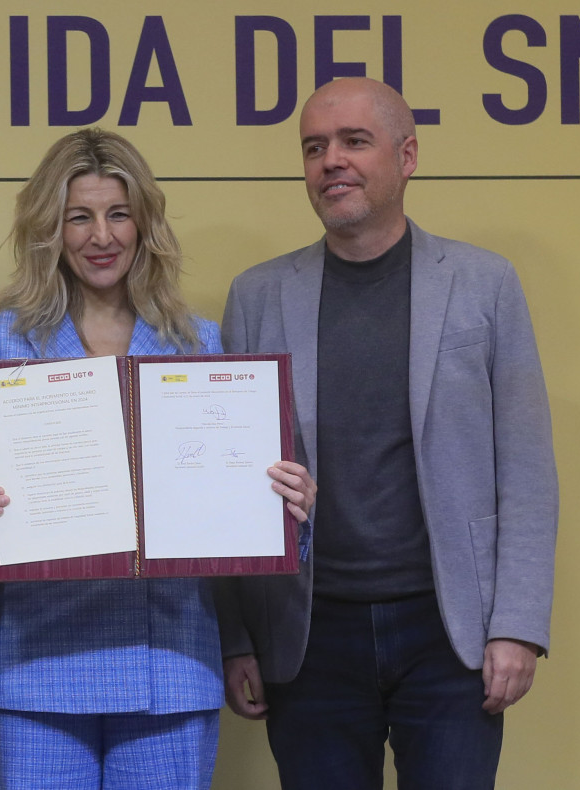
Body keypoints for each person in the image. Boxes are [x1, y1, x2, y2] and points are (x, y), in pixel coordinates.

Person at [0, 128, 315, 790]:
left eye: (117, 214)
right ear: (49, 228)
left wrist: (284, 511)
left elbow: (226, 519)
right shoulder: (0, 334)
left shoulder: (197, 341)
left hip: (169, 664)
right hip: (34, 664)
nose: (100, 236)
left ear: (144, 223)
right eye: (77, 217)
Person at [215, 78, 558, 789]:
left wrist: (516, 625)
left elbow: (524, 470)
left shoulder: (483, 284)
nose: (329, 161)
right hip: (307, 636)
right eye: (314, 148)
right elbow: (226, 485)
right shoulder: (256, 296)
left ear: (406, 156)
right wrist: (237, 638)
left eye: (352, 141)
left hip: (449, 632)